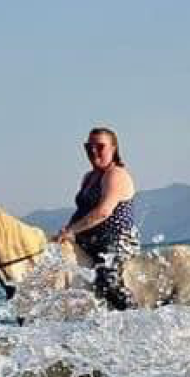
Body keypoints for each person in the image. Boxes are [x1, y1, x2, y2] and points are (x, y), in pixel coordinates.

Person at [53, 127, 140, 309]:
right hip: (90, 240)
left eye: (100, 146)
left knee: (106, 279)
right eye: (88, 147)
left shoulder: (116, 174)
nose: (93, 151)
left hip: (116, 240)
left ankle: (134, 314)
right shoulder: (88, 177)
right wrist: (64, 233)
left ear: (114, 148)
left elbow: (103, 212)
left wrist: (72, 231)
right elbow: (82, 211)